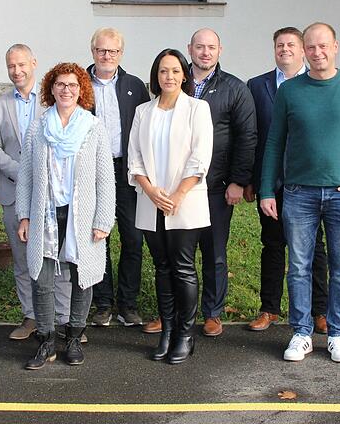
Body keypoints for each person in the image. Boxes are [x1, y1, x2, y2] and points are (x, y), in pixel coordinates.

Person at [259, 22, 340, 363]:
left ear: (336, 46)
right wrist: (268, 188)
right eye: (310, 47)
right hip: (298, 194)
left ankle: (339, 335)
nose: (317, 52)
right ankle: (301, 333)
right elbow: (274, 143)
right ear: (304, 50)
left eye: (323, 46)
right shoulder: (291, 91)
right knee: (298, 266)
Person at [15, 62, 115, 369]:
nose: (66, 90)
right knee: (41, 279)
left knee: (82, 277)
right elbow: (27, 175)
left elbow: (104, 177)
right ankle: (46, 341)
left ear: (81, 90)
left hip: (81, 214)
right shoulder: (38, 127)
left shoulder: (93, 127)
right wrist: (24, 215)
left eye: (72, 85)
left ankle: (73, 337)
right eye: (60, 84)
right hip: (44, 212)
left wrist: (103, 219)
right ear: (51, 88)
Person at [128, 49, 213, 364]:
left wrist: (177, 195)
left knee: (182, 267)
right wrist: (150, 190)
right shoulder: (143, 111)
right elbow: (134, 155)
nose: (169, 77)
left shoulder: (197, 109)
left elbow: (201, 156)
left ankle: (185, 334)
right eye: (164, 71)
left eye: (176, 71)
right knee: (162, 267)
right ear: (156, 75)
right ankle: (167, 329)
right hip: (151, 202)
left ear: (184, 75)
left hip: (185, 203)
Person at [0, 44, 72, 340]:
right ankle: (31, 316)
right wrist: (19, 171)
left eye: (22, 65)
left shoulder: (52, 101)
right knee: (23, 259)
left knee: (57, 257)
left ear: (33, 63)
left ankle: (63, 319)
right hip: (13, 192)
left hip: (53, 193)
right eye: (11, 66)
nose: (17, 71)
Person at [246, 27, 329, 334]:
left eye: (291, 44)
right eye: (279, 45)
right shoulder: (257, 86)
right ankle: (269, 308)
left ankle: (320, 311)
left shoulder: (317, 82)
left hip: (308, 181)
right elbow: (253, 136)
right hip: (272, 182)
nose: (285, 49)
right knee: (272, 244)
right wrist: (254, 179)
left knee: (314, 248)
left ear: (303, 49)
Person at [187, 28, 257, 337]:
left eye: (211, 47)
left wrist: (239, 181)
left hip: (217, 184)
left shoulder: (234, 88)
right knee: (181, 253)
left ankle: (212, 313)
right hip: (181, 188)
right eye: (200, 47)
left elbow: (247, 137)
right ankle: (179, 311)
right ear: (190, 49)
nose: (205, 52)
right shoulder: (175, 81)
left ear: (220, 50)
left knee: (214, 252)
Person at [86, 28, 151, 328]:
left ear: (121, 54)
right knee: (98, 238)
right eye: (102, 50)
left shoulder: (135, 86)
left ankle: (128, 303)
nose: (107, 56)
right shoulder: (79, 83)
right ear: (93, 52)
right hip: (91, 171)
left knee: (133, 239)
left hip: (126, 171)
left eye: (113, 51)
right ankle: (103, 303)